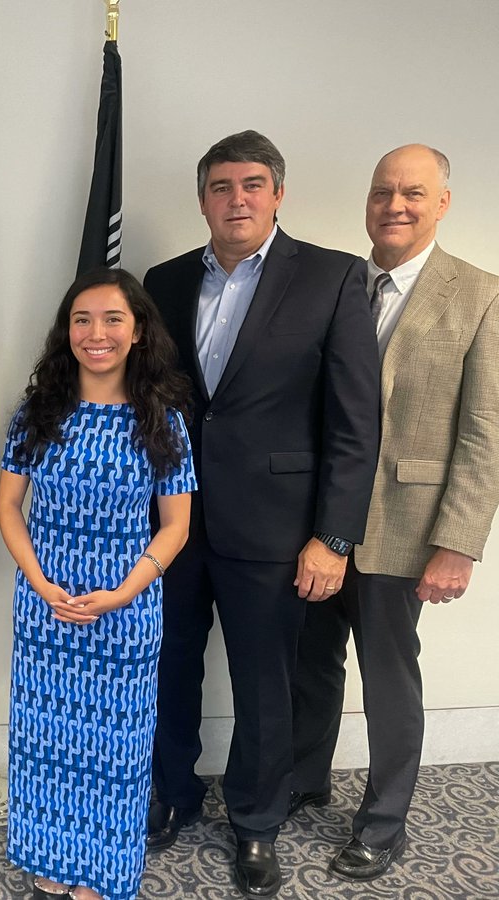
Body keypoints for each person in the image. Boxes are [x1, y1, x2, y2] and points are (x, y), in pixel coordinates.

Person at [143, 131, 380, 897]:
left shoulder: (334, 277)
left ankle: (255, 822)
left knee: (265, 686)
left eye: (251, 184)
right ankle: (172, 793)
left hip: (279, 531)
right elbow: (152, 401)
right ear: (202, 199)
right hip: (174, 523)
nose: (236, 199)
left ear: (278, 194)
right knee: (167, 668)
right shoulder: (164, 281)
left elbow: (355, 423)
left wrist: (333, 537)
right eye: (221, 186)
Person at [291, 144, 499, 881]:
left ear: (443, 203)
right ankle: (305, 778)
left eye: (413, 193)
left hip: (404, 529)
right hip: (319, 523)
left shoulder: (480, 295)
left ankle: (384, 822)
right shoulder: (340, 283)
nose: (395, 206)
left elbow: (485, 432)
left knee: (387, 678)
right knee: (310, 662)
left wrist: (458, 543)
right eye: (383, 192)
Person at [0, 268, 196, 900]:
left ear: (138, 332)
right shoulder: (38, 413)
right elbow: (8, 507)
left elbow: (176, 526)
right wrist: (40, 583)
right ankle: (52, 860)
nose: (96, 333)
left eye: (113, 319)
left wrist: (124, 593)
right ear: (67, 331)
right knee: (47, 742)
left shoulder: (162, 419)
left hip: (126, 611)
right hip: (46, 608)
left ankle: (103, 874)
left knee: (116, 753)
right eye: (81, 320)